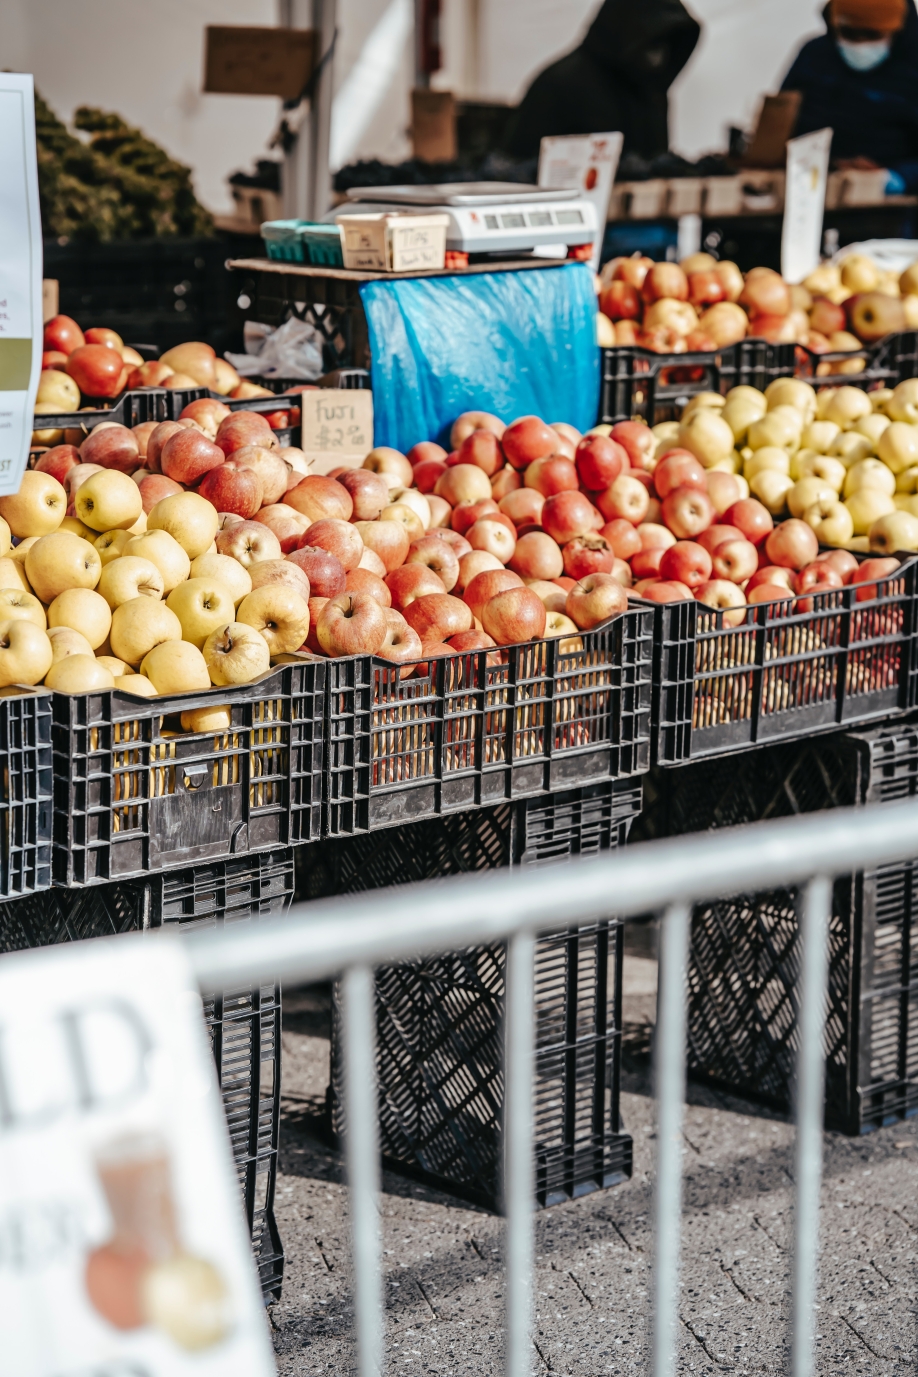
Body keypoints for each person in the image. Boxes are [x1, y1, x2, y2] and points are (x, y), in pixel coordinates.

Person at [501, 0, 700, 163]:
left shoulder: (650, 89)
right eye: (652, 41)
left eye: (667, 43)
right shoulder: (561, 84)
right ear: (628, 33)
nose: (659, 55)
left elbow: (655, 163)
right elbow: (514, 165)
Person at [781, 0, 918, 192]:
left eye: (872, 35)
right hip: (810, 184)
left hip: (890, 203)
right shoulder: (815, 55)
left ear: (897, 31)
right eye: (849, 34)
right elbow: (781, 118)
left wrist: (895, 177)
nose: (860, 44)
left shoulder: (912, 67)